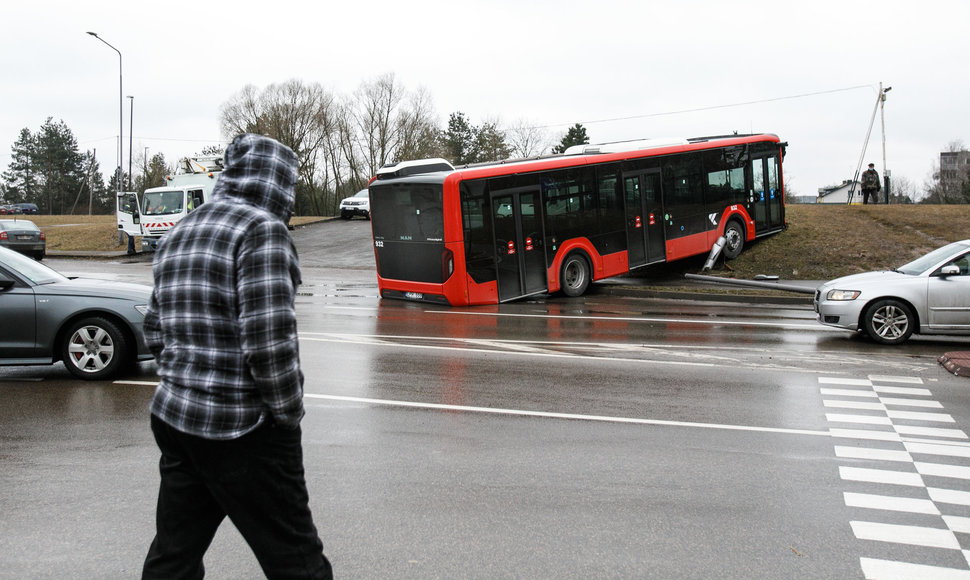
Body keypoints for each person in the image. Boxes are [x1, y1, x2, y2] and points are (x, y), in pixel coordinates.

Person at [141, 133, 332, 579]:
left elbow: (154, 327)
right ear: (279, 180)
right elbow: (269, 345)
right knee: (296, 558)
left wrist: (183, 378)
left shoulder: (181, 231)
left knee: (174, 554)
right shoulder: (261, 231)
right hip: (242, 427)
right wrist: (287, 415)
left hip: (176, 418)